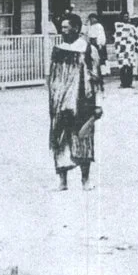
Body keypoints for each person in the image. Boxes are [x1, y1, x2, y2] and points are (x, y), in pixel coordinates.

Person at [47, 13, 104, 191]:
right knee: (60, 140)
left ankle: (85, 180)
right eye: (62, 27)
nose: (62, 31)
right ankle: (62, 181)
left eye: (65, 27)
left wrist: (98, 103)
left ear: (76, 28)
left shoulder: (88, 49)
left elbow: (97, 78)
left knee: (82, 138)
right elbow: (53, 78)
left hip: (82, 101)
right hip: (60, 103)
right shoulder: (58, 49)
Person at [112, 11, 138, 89]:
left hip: (129, 49)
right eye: (125, 16)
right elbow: (116, 37)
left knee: (130, 66)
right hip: (121, 49)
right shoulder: (118, 26)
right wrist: (118, 47)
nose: (126, 18)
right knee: (122, 67)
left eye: (127, 16)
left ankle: (129, 83)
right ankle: (123, 83)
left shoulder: (131, 27)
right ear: (122, 17)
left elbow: (135, 37)